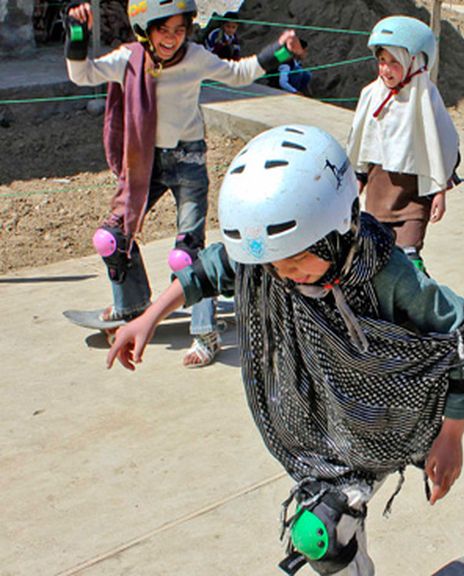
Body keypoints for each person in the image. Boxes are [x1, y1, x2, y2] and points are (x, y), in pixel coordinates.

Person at [106, 125, 464, 575]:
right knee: (325, 541)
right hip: (319, 427)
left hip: (382, 422)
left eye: (295, 261)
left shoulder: (388, 274)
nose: (283, 273)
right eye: (273, 263)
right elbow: (210, 270)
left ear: (337, 232)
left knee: (323, 532)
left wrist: (451, 437)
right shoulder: (272, 261)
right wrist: (149, 316)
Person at [64, 0, 305, 368]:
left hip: (188, 160)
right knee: (111, 238)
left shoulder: (195, 57)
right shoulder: (128, 59)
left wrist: (279, 52)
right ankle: (131, 305)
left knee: (185, 253)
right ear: (145, 29)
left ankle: (205, 332)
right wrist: (78, 34)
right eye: (163, 30)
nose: (172, 39)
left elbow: (239, 73)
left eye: (179, 30)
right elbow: (83, 75)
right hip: (145, 160)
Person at [346, 16, 460, 275]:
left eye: (394, 62)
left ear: (414, 61)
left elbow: (441, 147)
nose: (385, 69)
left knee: (409, 260)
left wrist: (439, 192)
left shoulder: (425, 98)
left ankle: (421, 306)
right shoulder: (371, 95)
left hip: (413, 197)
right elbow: (360, 145)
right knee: (376, 258)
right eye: (382, 61)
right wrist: (357, 182)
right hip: (378, 195)